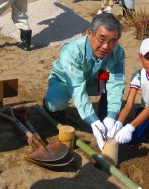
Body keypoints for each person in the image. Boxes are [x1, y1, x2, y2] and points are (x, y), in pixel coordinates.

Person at [43, 13, 125, 150]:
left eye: (112, 41)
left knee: (108, 82)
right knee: (56, 103)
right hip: (65, 80)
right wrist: (93, 121)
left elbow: (116, 83)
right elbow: (76, 88)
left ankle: (104, 113)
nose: (106, 46)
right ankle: (52, 109)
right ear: (90, 33)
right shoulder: (72, 51)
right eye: (102, 39)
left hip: (94, 79)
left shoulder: (118, 53)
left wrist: (112, 115)